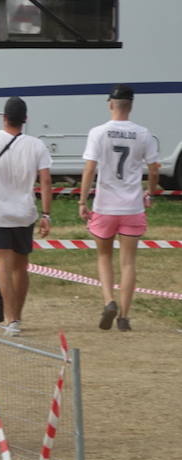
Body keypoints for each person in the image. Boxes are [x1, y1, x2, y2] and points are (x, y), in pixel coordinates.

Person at [79, 84, 160, 332]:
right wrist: (151, 192)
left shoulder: (98, 132)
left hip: (105, 205)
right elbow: (154, 167)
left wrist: (83, 200)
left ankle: (108, 300)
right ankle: (124, 316)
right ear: (131, 105)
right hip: (132, 205)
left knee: (104, 257)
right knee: (128, 263)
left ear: (111, 104)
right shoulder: (144, 134)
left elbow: (90, 169)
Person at [0, 97, 52, 337]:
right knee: (21, 267)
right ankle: (16, 317)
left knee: (3, 266)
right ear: (25, 120)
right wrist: (47, 214)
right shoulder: (36, 145)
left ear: (3, 117)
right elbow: (46, 181)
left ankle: (8, 317)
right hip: (24, 213)